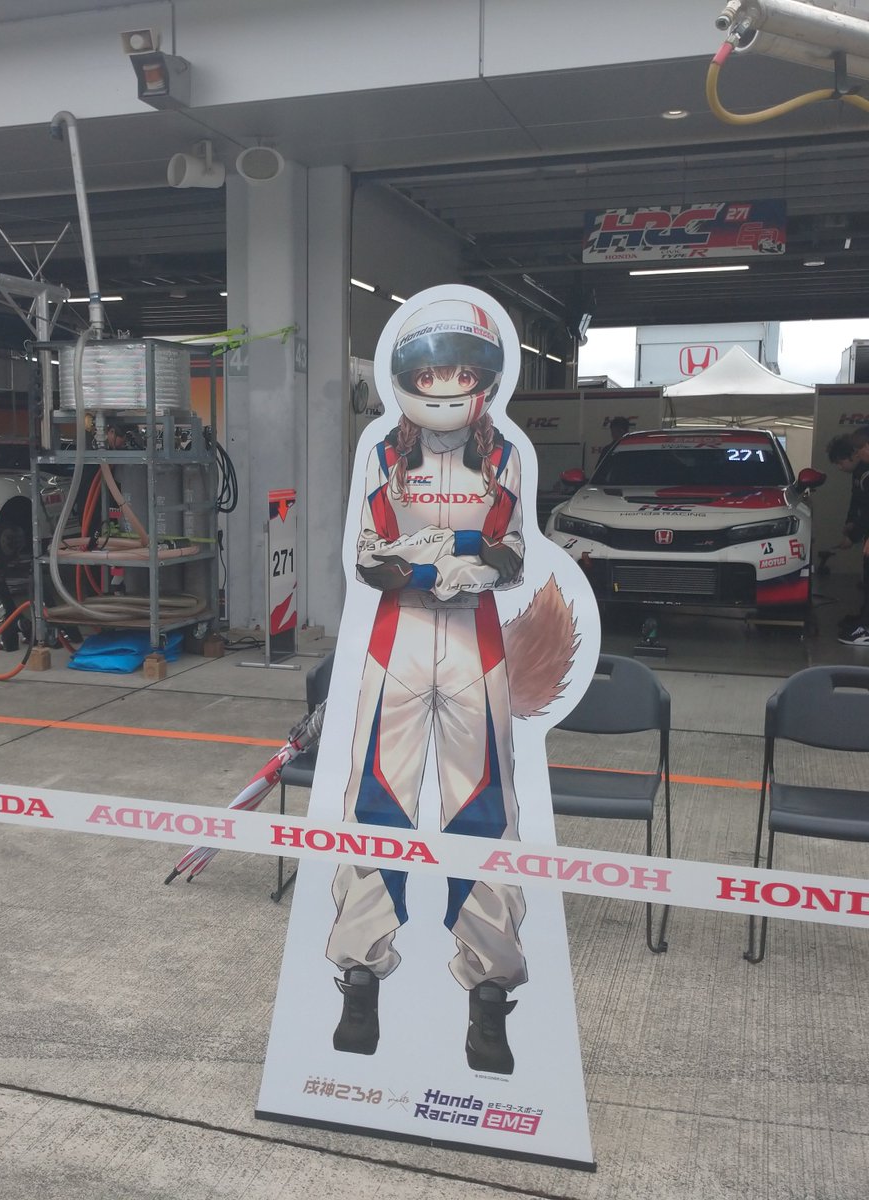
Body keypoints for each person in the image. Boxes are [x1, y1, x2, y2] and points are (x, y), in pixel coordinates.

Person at [326, 296, 528, 1075]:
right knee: (378, 800)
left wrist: (474, 563)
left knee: (482, 805)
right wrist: (424, 566)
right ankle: (359, 974)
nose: (445, 385)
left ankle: (490, 989)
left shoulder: (503, 452)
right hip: (399, 637)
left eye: (460, 372)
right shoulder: (383, 452)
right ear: (407, 377)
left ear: (484, 378)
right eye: (431, 373)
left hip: (476, 637)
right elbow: (365, 558)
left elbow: (515, 550)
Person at [826, 428, 869, 646]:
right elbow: (858, 501)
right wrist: (851, 523)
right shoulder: (860, 474)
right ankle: (865, 619)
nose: (859, 452)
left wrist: (854, 536)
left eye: (861, 448)